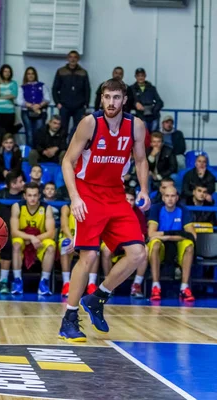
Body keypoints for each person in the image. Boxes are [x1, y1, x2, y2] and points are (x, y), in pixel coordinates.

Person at [58, 78, 150, 342]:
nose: (111, 102)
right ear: (101, 98)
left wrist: (143, 189)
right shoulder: (90, 123)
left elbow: (141, 159)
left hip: (116, 195)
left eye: (116, 98)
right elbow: (67, 161)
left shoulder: (136, 126)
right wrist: (75, 198)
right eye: (107, 97)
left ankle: (98, 297)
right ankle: (69, 319)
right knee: (87, 256)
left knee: (137, 253)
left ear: (125, 100)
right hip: (88, 193)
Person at [146, 186, 196, 302]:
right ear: (163, 198)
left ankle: (184, 288)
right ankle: (155, 286)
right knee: (155, 244)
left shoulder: (183, 210)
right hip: (162, 245)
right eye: (167, 196)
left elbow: (192, 235)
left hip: (176, 243)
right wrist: (177, 234)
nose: (170, 199)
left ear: (177, 198)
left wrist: (167, 236)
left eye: (173, 196)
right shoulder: (156, 209)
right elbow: (151, 234)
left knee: (189, 245)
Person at [10, 183, 56, 295]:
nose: (32, 198)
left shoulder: (46, 208)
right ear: (25, 196)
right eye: (29, 195)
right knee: (16, 244)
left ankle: (43, 282)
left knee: (51, 246)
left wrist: (34, 239)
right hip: (23, 237)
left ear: (39, 195)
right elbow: (14, 232)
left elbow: (51, 233)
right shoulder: (17, 206)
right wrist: (31, 237)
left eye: (35, 195)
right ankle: (17, 281)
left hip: (40, 239)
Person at [58, 204, 101, 297]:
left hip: (84, 238)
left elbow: (93, 227)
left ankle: (91, 284)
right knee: (65, 246)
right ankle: (66, 284)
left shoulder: (90, 207)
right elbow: (64, 226)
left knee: (95, 248)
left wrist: (78, 240)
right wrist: (73, 240)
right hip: (69, 237)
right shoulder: (66, 208)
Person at [52, 50, 90, 139]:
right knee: (62, 129)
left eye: (75, 57)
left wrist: (86, 104)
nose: (73, 59)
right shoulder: (61, 71)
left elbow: (87, 89)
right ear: (67, 58)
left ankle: (75, 150)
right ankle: (63, 150)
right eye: (71, 57)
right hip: (64, 106)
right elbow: (54, 88)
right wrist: (57, 103)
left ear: (78, 59)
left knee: (78, 129)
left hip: (79, 106)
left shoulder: (83, 72)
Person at [18, 67, 50, 147]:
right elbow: (19, 101)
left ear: (35, 75)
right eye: (28, 74)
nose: (31, 75)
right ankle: (29, 155)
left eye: (32, 73)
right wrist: (31, 106)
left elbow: (47, 98)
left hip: (40, 111)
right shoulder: (22, 87)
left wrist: (39, 105)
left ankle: (38, 153)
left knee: (39, 133)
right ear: (26, 75)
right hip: (26, 112)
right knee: (29, 133)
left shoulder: (42, 85)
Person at [131, 68, 163, 133]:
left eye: (142, 75)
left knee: (155, 136)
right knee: (143, 136)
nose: (140, 77)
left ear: (145, 76)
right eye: (138, 76)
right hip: (140, 116)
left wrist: (154, 109)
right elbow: (128, 102)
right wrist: (135, 104)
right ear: (135, 77)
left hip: (153, 116)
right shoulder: (131, 89)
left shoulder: (151, 88)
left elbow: (160, 102)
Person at [0, 65, 18, 133]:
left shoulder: (13, 83)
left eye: (9, 71)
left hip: (9, 112)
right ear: (1, 72)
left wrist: (0, 97)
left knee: (8, 133)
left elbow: (14, 95)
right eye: (5, 71)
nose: (7, 73)